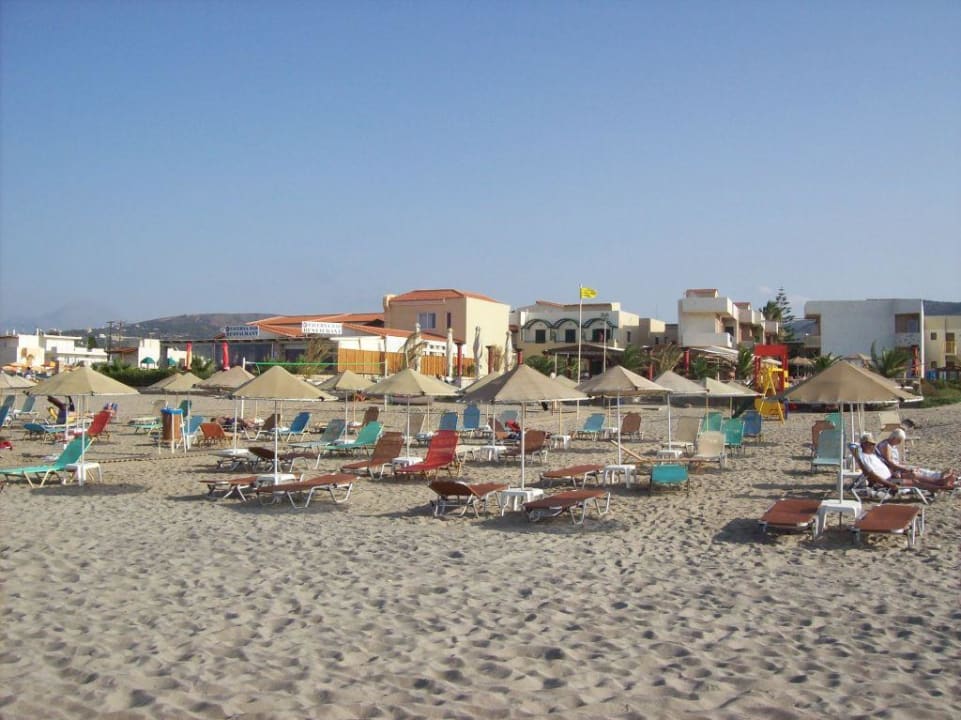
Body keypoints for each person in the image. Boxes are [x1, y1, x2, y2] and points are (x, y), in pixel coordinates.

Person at [853, 433, 955, 494]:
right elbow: (872, 475)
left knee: (913, 475)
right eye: (871, 444)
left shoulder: (872, 455)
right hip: (886, 481)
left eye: (873, 444)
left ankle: (940, 481)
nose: (873, 446)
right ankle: (941, 487)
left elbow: (883, 466)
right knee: (915, 482)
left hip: (891, 476)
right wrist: (890, 484)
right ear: (864, 444)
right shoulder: (864, 458)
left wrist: (893, 472)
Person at [875, 429, 956, 483]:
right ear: (893, 438)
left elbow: (892, 461)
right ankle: (939, 479)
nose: (899, 442)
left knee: (917, 469)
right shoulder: (886, 446)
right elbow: (890, 462)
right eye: (899, 440)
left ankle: (939, 475)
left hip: (896, 468)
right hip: (893, 471)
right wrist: (904, 468)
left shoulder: (891, 445)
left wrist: (904, 466)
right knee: (915, 472)